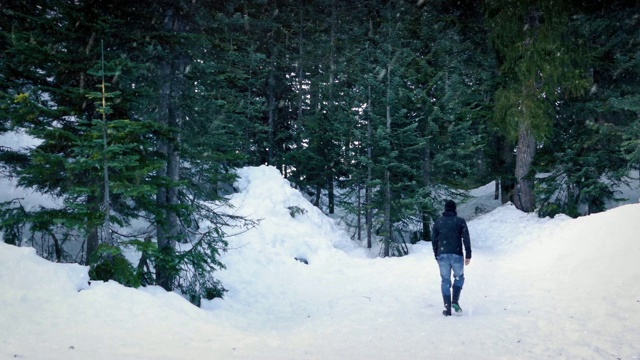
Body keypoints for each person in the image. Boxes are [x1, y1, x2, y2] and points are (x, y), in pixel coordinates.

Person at [432, 200, 471, 316]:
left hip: (442, 254)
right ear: (455, 209)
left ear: (445, 209)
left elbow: (434, 240)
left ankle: (447, 307)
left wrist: (436, 254)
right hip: (457, 253)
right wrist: (468, 254)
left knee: (445, 280)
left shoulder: (438, 222)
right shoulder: (460, 221)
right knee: (459, 277)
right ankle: (455, 300)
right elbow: (466, 238)